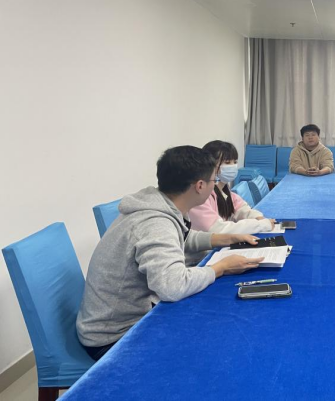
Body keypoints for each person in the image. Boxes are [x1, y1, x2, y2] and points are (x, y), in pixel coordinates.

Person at [77, 146, 264, 361]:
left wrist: (225, 239)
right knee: (218, 339)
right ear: (200, 186)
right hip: (114, 337)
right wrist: (220, 268)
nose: (215, 186)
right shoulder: (155, 223)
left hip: (131, 315)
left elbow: (182, 238)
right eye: (213, 181)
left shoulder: (161, 204)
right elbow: (173, 286)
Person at [190, 140, 275, 236]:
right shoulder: (200, 196)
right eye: (227, 162)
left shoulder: (226, 192)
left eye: (235, 162)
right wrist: (259, 225)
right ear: (210, 165)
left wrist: (258, 217)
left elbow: (242, 209)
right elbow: (218, 230)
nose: (232, 166)